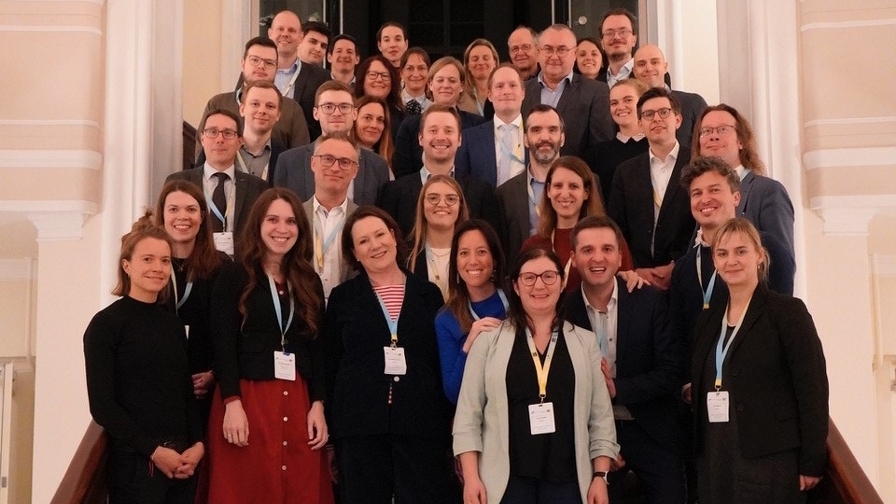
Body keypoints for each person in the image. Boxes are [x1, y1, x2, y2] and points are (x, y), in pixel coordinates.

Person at [453, 246, 619, 504]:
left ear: (562, 282)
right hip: (505, 483)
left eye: (548, 276)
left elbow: (601, 418)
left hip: (570, 483)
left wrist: (600, 475)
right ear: (516, 287)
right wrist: (472, 478)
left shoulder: (585, 343)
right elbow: (467, 416)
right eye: (529, 277)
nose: (539, 285)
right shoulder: (488, 342)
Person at [207, 188, 333, 503]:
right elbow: (223, 342)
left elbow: (317, 347)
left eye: (291, 221)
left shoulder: (308, 279)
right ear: (258, 225)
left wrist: (318, 404)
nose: (282, 229)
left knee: (298, 488)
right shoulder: (234, 275)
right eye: (273, 219)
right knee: (246, 487)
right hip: (248, 398)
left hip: (298, 398)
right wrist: (231, 402)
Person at [324, 206, 457, 503]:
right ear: (354, 254)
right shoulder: (342, 298)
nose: (375, 245)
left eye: (380, 234)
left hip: (419, 425)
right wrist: (333, 438)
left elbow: (436, 363)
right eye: (363, 241)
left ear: (395, 237)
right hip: (360, 428)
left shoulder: (429, 294)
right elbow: (331, 367)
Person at [690, 218, 828, 502]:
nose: (732, 261)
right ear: (714, 261)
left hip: (770, 459)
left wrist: (812, 459)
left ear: (759, 256)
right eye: (722, 253)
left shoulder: (787, 312)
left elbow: (812, 388)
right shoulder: (708, 319)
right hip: (716, 453)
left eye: (741, 251)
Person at [564, 216, 686, 503]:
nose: (598, 258)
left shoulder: (650, 300)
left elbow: (671, 371)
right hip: (590, 435)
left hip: (652, 429)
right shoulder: (563, 311)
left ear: (620, 256)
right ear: (573, 258)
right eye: (587, 250)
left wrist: (618, 389)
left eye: (607, 249)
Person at [84, 214, 204, 503]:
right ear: (127, 266)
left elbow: (185, 394)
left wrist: (198, 444)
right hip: (137, 464)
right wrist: (153, 451)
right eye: (148, 259)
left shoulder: (172, 325)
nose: (158, 268)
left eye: (164, 261)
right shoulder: (106, 325)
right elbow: (103, 406)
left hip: (181, 462)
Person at [154, 181, 227, 425]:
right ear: (162, 214)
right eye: (173, 209)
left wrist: (214, 374)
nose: (182, 216)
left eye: (191, 209)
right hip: (161, 389)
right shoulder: (151, 267)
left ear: (202, 216)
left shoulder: (223, 267)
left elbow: (232, 331)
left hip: (208, 389)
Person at [608, 87, 695, 290]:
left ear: (678, 120)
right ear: (640, 124)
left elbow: (699, 226)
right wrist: (634, 269)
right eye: (648, 115)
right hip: (638, 280)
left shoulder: (698, 165)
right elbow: (616, 227)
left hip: (687, 276)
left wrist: (676, 265)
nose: (656, 119)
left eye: (664, 112)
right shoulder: (625, 171)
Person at [693, 103, 795, 259]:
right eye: (706, 131)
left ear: (741, 141)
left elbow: (781, 263)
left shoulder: (768, 191)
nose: (713, 136)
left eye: (723, 129)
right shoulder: (699, 196)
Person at [379, 104, 498, 237]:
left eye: (448, 131)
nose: (441, 137)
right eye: (433, 131)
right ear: (420, 138)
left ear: (459, 139)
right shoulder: (394, 193)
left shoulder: (482, 192)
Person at [523, 156, 634, 293]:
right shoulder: (533, 246)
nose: (565, 194)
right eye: (558, 186)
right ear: (548, 191)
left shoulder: (610, 240)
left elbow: (626, 286)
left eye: (573, 186)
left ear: (586, 192)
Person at [168, 109, 268, 256]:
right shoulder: (178, 182)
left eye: (228, 133)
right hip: (191, 266)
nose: (220, 139)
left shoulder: (257, 187)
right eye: (212, 132)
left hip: (241, 272)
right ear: (202, 138)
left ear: (240, 141)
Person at [273, 81, 390, 206]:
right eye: (328, 107)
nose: (337, 113)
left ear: (355, 113)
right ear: (315, 113)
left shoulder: (378, 166)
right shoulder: (288, 161)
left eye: (344, 107)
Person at [196, 37, 310, 158]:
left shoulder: (291, 109)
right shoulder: (218, 103)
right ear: (243, 64)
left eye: (269, 63)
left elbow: (300, 159)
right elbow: (202, 152)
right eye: (255, 60)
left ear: (277, 69)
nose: (261, 66)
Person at [435, 219, 508, 405]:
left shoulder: (517, 299)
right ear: (456, 262)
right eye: (464, 253)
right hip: (480, 417)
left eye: (482, 252)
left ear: (495, 258)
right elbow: (453, 393)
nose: (473, 261)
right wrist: (469, 345)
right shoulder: (446, 319)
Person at [521, 24, 614, 159]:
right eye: (548, 49)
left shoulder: (596, 92)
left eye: (562, 50)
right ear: (538, 52)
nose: (554, 56)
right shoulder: (521, 91)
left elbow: (601, 151)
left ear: (575, 53)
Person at [393, 57, 488, 178]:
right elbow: (403, 173)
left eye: (452, 81)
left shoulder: (478, 125)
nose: (446, 85)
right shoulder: (410, 125)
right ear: (431, 84)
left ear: (462, 86)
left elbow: (481, 168)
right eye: (440, 80)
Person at [496, 105, 563, 268]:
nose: (544, 137)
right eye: (536, 130)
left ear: (562, 138)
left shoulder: (585, 183)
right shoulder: (505, 193)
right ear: (525, 139)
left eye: (552, 130)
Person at [301, 132, 361, 302]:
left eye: (345, 162)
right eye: (327, 159)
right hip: (300, 311)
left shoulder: (363, 221)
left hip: (347, 312)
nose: (335, 168)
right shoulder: (294, 216)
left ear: (355, 171)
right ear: (313, 163)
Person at [455, 64, 527, 187]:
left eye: (513, 85)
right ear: (490, 95)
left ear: (523, 93)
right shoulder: (470, 138)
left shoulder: (537, 134)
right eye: (499, 86)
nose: (506, 91)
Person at [266, 11, 331, 139]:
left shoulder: (321, 77)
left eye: (291, 30)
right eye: (280, 29)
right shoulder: (255, 70)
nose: (285, 34)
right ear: (270, 34)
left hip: (301, 151)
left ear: (300, 37)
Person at [585, 78, 650, 204]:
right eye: (614, 103)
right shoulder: (596, 155)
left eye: (628, 100)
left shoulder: (656, 148)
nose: (620, 107)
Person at [407, 174, 470, 300]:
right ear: (422, 205)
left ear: (460, 206)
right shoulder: (405, 255)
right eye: (433, 198)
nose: (442, 204)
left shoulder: (474, 254)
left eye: (451, 199)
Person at [632, 44, 708, 146]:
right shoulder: (628, 109)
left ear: (665, 67)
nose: (649, 68)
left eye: (655, 62)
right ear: (634, 72)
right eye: (641, 64)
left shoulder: (693, 103)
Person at [597, 8, 638, 87]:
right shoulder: (595, 85)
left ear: (634, 40)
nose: (616, 37)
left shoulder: (648, 75)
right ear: (602, 43)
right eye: (609, 33)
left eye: (623, 32)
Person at [458, 38, 498, 118]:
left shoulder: (504, 91)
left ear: (495, 63)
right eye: (475, 59)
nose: (481, 62)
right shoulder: (459, 96)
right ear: (468, 65)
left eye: (486, 58)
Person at [353, 95, 394, 171]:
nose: (374, 125)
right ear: (354, 118)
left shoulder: (386, 165)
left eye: (380, 120)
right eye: (367, 118)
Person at [400, 47, 432, 115]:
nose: (416, 74)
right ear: (401, 73)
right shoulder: (391, 107)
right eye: (409, 68)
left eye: (421, 68)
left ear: (428, 72)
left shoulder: (434, 110)